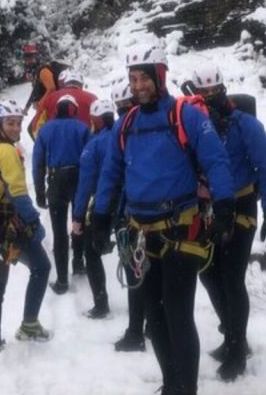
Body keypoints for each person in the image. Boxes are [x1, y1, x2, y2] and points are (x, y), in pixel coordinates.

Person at [91, 44, 234, 395]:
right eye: (133, 78)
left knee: (177, 314)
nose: (138, 85)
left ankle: (186, 389)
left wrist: (227, 204)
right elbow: (110, 172)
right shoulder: (126, 124)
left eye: (144, 78)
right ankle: (172, 384)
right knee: (154, 319)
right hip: (141, 234)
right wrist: (99, 216)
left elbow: (216, 160)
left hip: (180, 230)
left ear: (160, 76)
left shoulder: (186, 116)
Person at [191, 62, 266, 381]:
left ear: (223, 90)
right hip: (209, 207)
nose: (209, 98)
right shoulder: (195, 126)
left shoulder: (245, 125)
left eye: (214, 92)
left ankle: (236, 348)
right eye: (203, 94)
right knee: (208, 273)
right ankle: (233, 334)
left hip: (242, 203)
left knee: (231, 277)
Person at [0, 100, 52, 358]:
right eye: (11, 123)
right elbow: (19, 195)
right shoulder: (7, 152)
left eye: (18, 122)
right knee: (42, 267)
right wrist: (35, 223)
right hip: (12, 227)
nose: (16, 128)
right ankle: (29, 325)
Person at [106, 80, 148, 353]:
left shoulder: (131, 132)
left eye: (126, 106)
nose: (124, 112)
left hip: (137, 211)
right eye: (120, 107)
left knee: (138, 273)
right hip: (133, 211)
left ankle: (137, 331)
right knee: (142, 272)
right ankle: (145, 328)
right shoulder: (125, 131)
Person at [32, 94, 90, 294]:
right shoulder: (82, 128)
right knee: (79, 221)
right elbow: (90, 158)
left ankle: (63, 280)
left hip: (56, 181)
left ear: (56, 109)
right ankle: (79, 261)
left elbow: (38, 162)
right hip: (78, 178)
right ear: (74, 109)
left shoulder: (46, 129)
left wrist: (40, 190)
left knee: (59, 231)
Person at [71, 98, 117, 318]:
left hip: (101, 204)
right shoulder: (123, 136)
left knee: (92, 254)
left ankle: (101, 304)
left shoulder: (94, 145)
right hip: (128, 201)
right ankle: (145, 310)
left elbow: (86, 182)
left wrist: (78, 216)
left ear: (95, 120)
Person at [29, 68, 98, 139]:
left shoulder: (50, 98)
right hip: (85, 145)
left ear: (63, 83)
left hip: (56, 145)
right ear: (81, 84)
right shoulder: (92, 98)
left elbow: (36, 127)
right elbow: (101, 126)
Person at [21, 44, 68, 113]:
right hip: (49, 106)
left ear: (36, 57)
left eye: (30, 58)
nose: (28, 62)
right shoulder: (37, 72)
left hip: (52, 106)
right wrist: (27, 107)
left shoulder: (43, 70)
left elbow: (52, 89)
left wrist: (40, 104)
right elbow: (35, 91)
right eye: (26, 59)